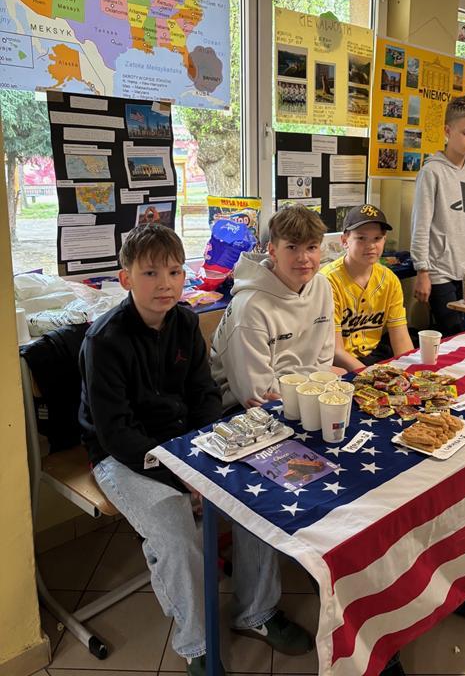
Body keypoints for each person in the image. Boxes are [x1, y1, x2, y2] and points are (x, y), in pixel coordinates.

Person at [79, 224, 311, 676]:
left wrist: (207, 454)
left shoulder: (184, 321)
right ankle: (196, 643)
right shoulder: (104, 341)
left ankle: (256, 613)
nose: (165, 284)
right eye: (150, 273)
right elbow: (116, 434)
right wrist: (184, 476)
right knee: (174, 529)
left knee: (254, 498)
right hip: (121, 454)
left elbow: (203, 394)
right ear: (126, 279)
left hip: (183, 441)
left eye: (173, 272)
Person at [210, 204, 335, 411]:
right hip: (240, 408)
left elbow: (325, 357)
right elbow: (256, 393)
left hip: (302, 395)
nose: (304, 258)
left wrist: (308, 388)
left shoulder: (322, 286)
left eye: (312, 247)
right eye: (292, 247)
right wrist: (313, 386)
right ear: (272, 251)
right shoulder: (250, 306)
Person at [411, 95, 465, 337]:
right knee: (452, 332)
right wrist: (422, 271)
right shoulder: (431, 172)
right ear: (447, 131)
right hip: (439, 271)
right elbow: (421, 225)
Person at [321, 204, 412, 371]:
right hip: (337, 365)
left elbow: (400, 337)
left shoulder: (389, 280)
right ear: (344, 241)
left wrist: (409, 372)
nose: (371, 245)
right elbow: (336, 351)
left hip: (374, 357)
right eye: (361, 238)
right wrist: (370, 377)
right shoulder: (328, 281)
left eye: (377, 238)